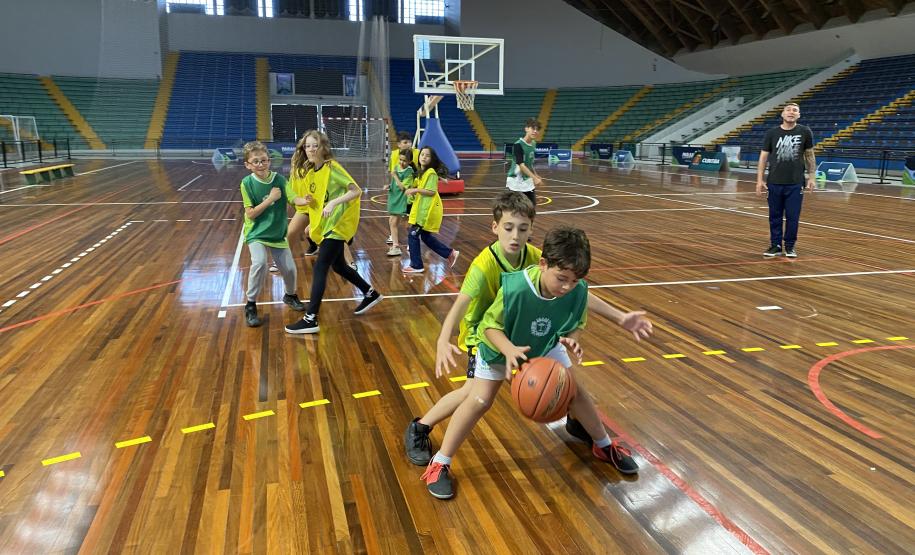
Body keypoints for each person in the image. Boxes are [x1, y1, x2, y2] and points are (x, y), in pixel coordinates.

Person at [417, 226, 650, 499]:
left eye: (574, 282)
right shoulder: (516, 287)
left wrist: (575, 337)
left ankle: (603, 445)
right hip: (498, 345)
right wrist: (509, 351)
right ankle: (440, 463)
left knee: (575, 391)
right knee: (479, 401)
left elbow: (577, 319)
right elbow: (489, 328)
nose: (567, 287)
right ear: (543, 264)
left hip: (542, 343)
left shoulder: (575, 289)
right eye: (561, 279)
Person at [284, 131, 382, 334]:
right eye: (307, 146)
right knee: (339, 266)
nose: (311, 149)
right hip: (327, 225)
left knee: (321, 266)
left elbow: (355, 190)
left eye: (315, 145)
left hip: (339, 224)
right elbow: (318, 202)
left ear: (323, 147)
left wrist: (335, 203)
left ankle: (311, 318)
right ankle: (370, 293)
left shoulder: (332, 168)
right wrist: (314, 222)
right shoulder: (312, 172)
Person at [238, 141, 306, 327]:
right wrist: (270, 199)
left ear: (269, 160)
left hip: (276, 232)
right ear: (248, 165)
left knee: (290, 270)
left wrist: (305, 200)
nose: (260, 164)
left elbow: (293, 199)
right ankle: (251, 305)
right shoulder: (247, 183)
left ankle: (290, 295)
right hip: (257, 232)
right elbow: (250, 213)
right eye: (255, 161)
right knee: (259, 263)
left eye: (264, 160)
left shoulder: (280, 180)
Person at [756, 102, 816, 258]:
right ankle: (775, 245)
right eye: (788, 110)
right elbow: (763, 157)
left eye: (795, 110)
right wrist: (759, 180)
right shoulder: (772, 133)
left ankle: (790, 246)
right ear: (782, 114)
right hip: (774, 182)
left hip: (795, 183)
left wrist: (812, 176)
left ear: (799, 115)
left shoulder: (805, 131)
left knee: (793, 217)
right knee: (774, 216)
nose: (791, 112)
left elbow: (809, 155)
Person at [403, 146, 459, 274]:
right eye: (422, 154)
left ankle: (417, 265)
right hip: (422, 210)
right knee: (426, 237)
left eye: (427, 155)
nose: (423, 157)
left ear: (431, 159)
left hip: (427, 211)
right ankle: (450, 253)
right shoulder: (422, 173)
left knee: (413, 235)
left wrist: (415, 190)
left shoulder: (431, 173)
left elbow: (431, 191)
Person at [387, 131, 419, 250]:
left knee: (407, 222)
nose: (408, 144)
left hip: (408, 196)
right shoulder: (394, 156)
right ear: (399, 144)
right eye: (405, 142)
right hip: (398, 195)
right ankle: (395, 243)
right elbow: (394, 173)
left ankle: (411, 243)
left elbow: (403, 184)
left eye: (409, 142)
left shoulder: (414, 160)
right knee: (393, 221)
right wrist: (390, 185)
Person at [506, 118, 543, 209]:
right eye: (533, 128)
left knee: (531, 208)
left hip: (527, 181)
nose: (535, 131)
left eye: (537, 129)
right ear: (526, 129)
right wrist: (534, 178)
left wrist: (535, 175)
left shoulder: (533, 144)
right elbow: (521, 165)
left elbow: (530, 163)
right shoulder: (518, 145)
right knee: (515, 210)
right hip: (516, 182)